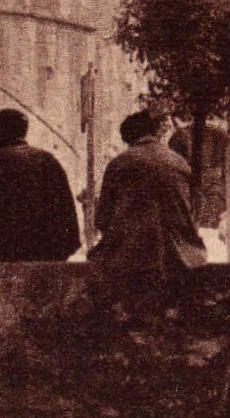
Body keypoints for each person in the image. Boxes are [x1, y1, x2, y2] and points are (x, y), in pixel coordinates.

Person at [89, 109, 208, 299]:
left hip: (131, 258)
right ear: (153, 133)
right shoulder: (179, 163)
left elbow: (102, 219)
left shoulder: (119, 164)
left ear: (128, 139)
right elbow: (195, 210)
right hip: (182, 256)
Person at [0, 108, 81, 262]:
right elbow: (68, 220)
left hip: (1, 254)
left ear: (0, 133)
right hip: (47, 254)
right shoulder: (48, 161)